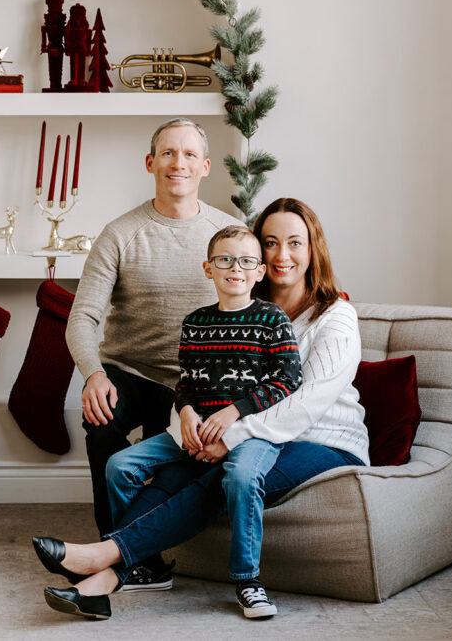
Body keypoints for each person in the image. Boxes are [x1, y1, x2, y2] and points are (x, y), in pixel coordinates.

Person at [35, 198, 370, 621]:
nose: (283, 255)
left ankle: (102, 562)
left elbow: (306, 404)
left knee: (219, 477)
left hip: (321, 440)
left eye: (295, 243)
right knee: (172, 472)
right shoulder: (240, 309)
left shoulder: (335, 316)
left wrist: (226, 438)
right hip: (250, 435)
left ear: (313, 249)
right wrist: (189, 426)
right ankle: (102, 583)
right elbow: (196, 381)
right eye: (271, 242)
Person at [65, 118, 242, 589]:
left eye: (188, 155)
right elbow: (82, 316)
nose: (177, 163)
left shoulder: (229, 232)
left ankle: (118, 556)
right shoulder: (120, 233)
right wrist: (93, 374)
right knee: (101, 417)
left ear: (205, 166)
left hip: (205, 384)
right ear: (150, 163)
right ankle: (126, 553)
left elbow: (262, 304)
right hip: (132, 372)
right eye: (167, 153)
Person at [97, 224, 302, 613]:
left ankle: (248, 581)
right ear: (209, 268)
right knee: (119, 466)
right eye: (224, 260)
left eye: (246, 261)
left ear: (259, 271)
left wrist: (233, 413)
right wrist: (186, 411)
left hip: (247, 433)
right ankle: (145, 564)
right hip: (196, 430)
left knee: (242, 476)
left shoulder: (272, 320)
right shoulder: (195, 323)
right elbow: (186, 382)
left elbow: (289, 379)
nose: (235, 268)